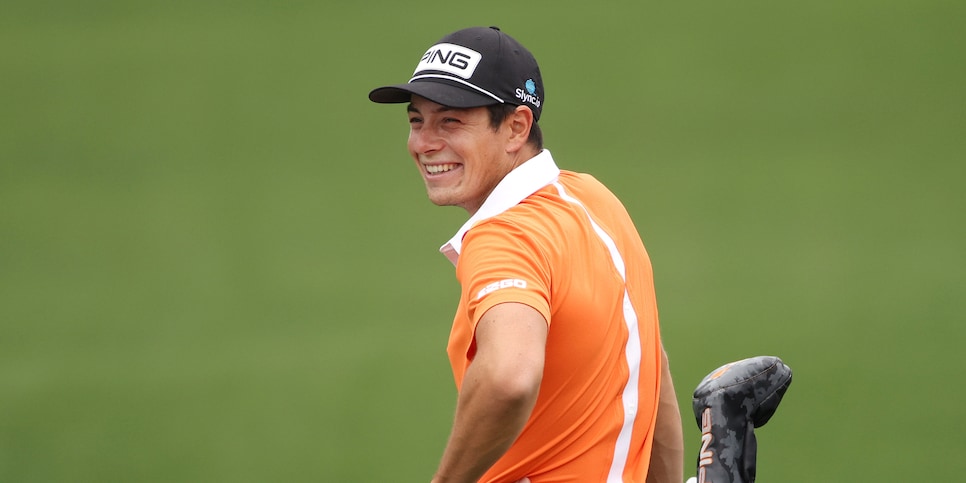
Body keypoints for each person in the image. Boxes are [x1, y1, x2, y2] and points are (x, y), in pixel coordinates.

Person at [369, 26, 683, 483]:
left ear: (516, 127)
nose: (424, 143)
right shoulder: (595, 200)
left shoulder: (505, 238)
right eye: (417, 120)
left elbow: (508, 377)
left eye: (451, 121)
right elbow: (649, 370)